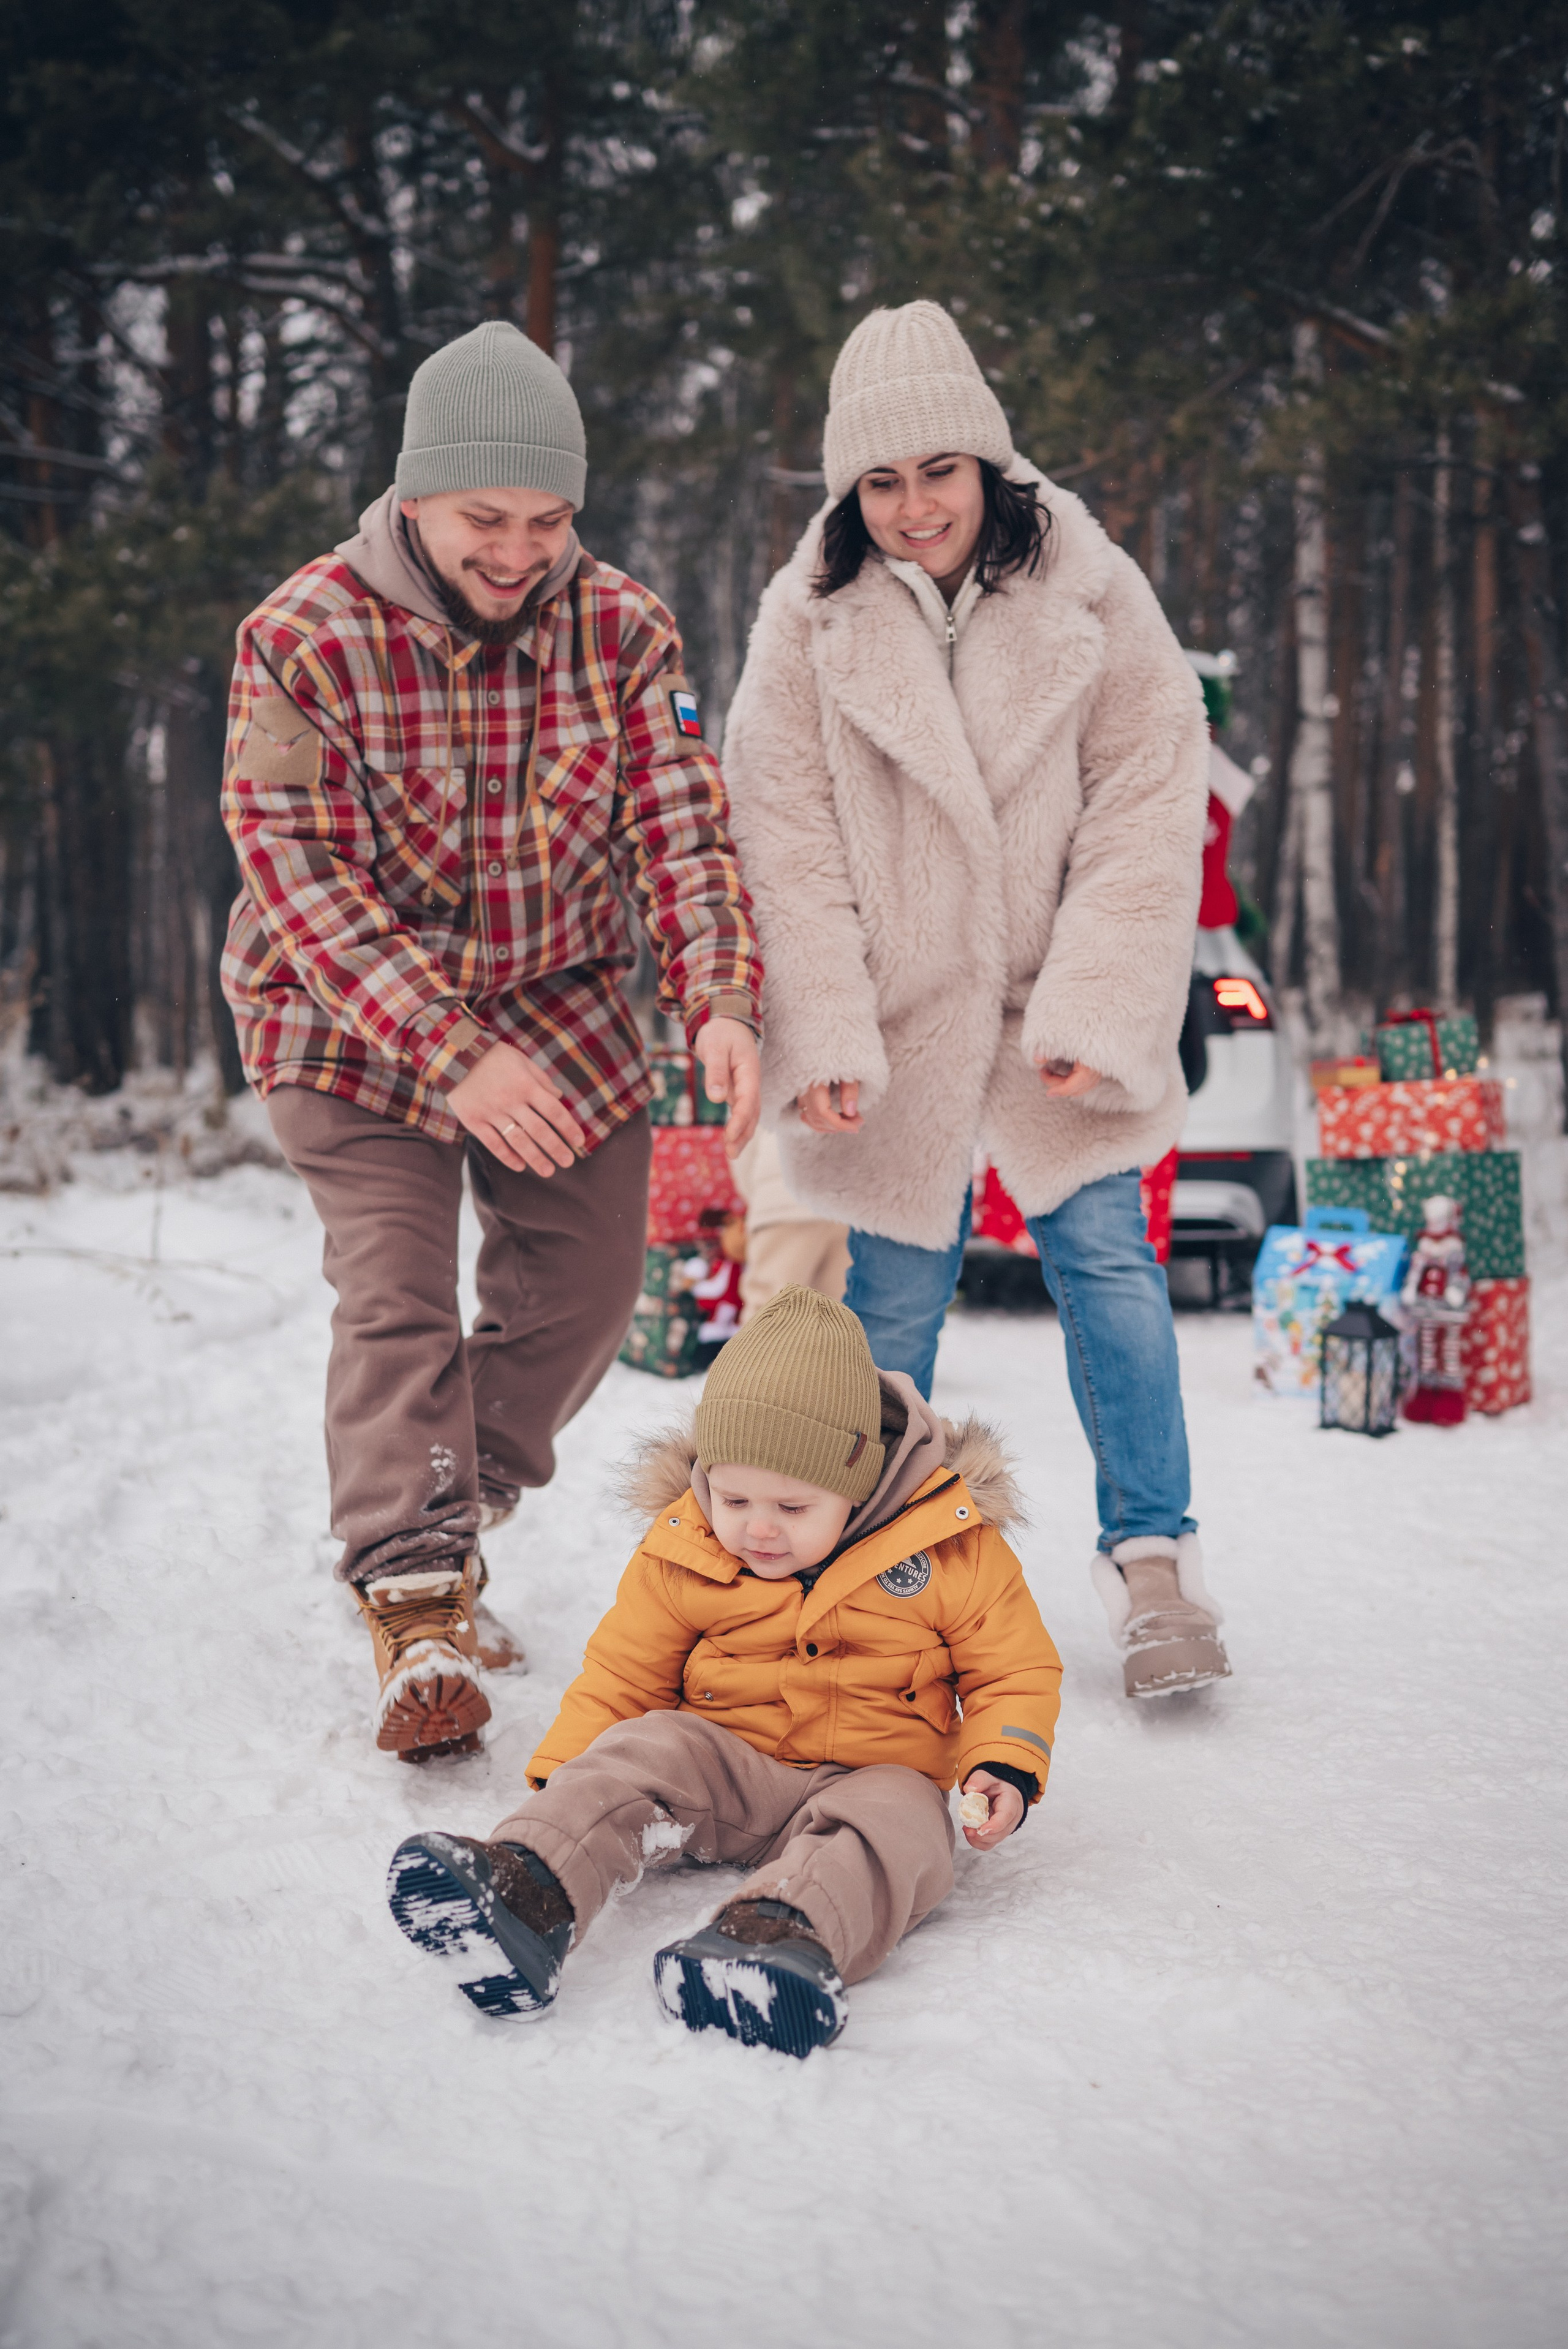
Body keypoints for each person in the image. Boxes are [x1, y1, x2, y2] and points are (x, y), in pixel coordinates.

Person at [221, 321, 761, 1760]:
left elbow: (681, 832)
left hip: (557, 999)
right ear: (412, 499)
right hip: (346, 1013)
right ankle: (415, 1594)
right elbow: (294, 866)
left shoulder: (626, 628)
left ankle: (460, 1500)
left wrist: (717, 992)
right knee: (395, 1290)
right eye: (486, 519)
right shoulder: (301, 635)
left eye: (549, 519)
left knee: (586, 1287)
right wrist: (450, 1055)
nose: (521, 550)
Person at [722, 301, 1229, 1700]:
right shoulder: (803, 616)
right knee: (888, 1291)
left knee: (1108, 1266)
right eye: (876, 482)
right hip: (892, 1015)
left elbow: (1146, 796)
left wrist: (1097, 1002)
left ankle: (1152, 1561)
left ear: (987, 464)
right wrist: (819, 1025)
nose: (908, 507)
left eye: (934, 471)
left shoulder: (1090, 585)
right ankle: (876, 1570)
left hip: (1047, 991)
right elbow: (783, 829)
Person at [384, 1286, 1061, 2057]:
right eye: (733, 1496)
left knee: (901, 1827)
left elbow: (1015, 1669)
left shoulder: (948, 1548)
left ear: (860, 1486)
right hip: (727, 1764)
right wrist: (570, 1783)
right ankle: (527, 1888)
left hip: (878, 1769)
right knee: (653, 1744)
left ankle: (777, 1937)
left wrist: (1003, 1760)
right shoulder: (688, 1543)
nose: (757, 1527)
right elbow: (624, 1672)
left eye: (793, 1507)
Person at [729, 1127, 851, 1318]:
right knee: (833, 1319)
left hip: (782, 1197)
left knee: (768, 1313)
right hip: (845, 1200)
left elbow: (741, 1139)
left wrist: (760, 1200)